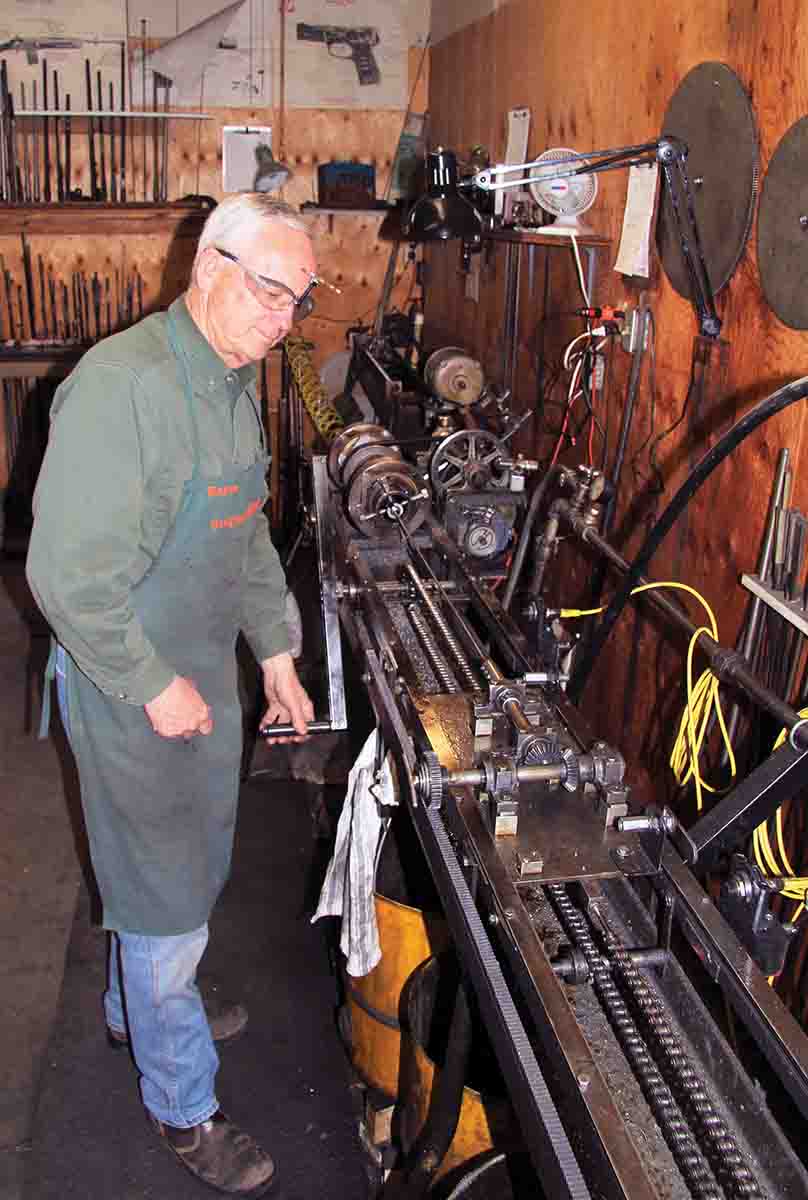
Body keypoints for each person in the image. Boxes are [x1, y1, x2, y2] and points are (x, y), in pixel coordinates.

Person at [26, 194, 320, 1198]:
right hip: (129, 684)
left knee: (187, 865)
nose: (283, 318)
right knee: (162, 896)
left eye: (299, 299)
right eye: (268, 288)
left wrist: (276, 652)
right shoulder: (123, 390)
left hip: (203, 679)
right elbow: (65, 577)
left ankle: (135, 1003)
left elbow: (243, 535)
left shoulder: (232, 382)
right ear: (208, 266)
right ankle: (183, 1103)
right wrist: (151, 687)